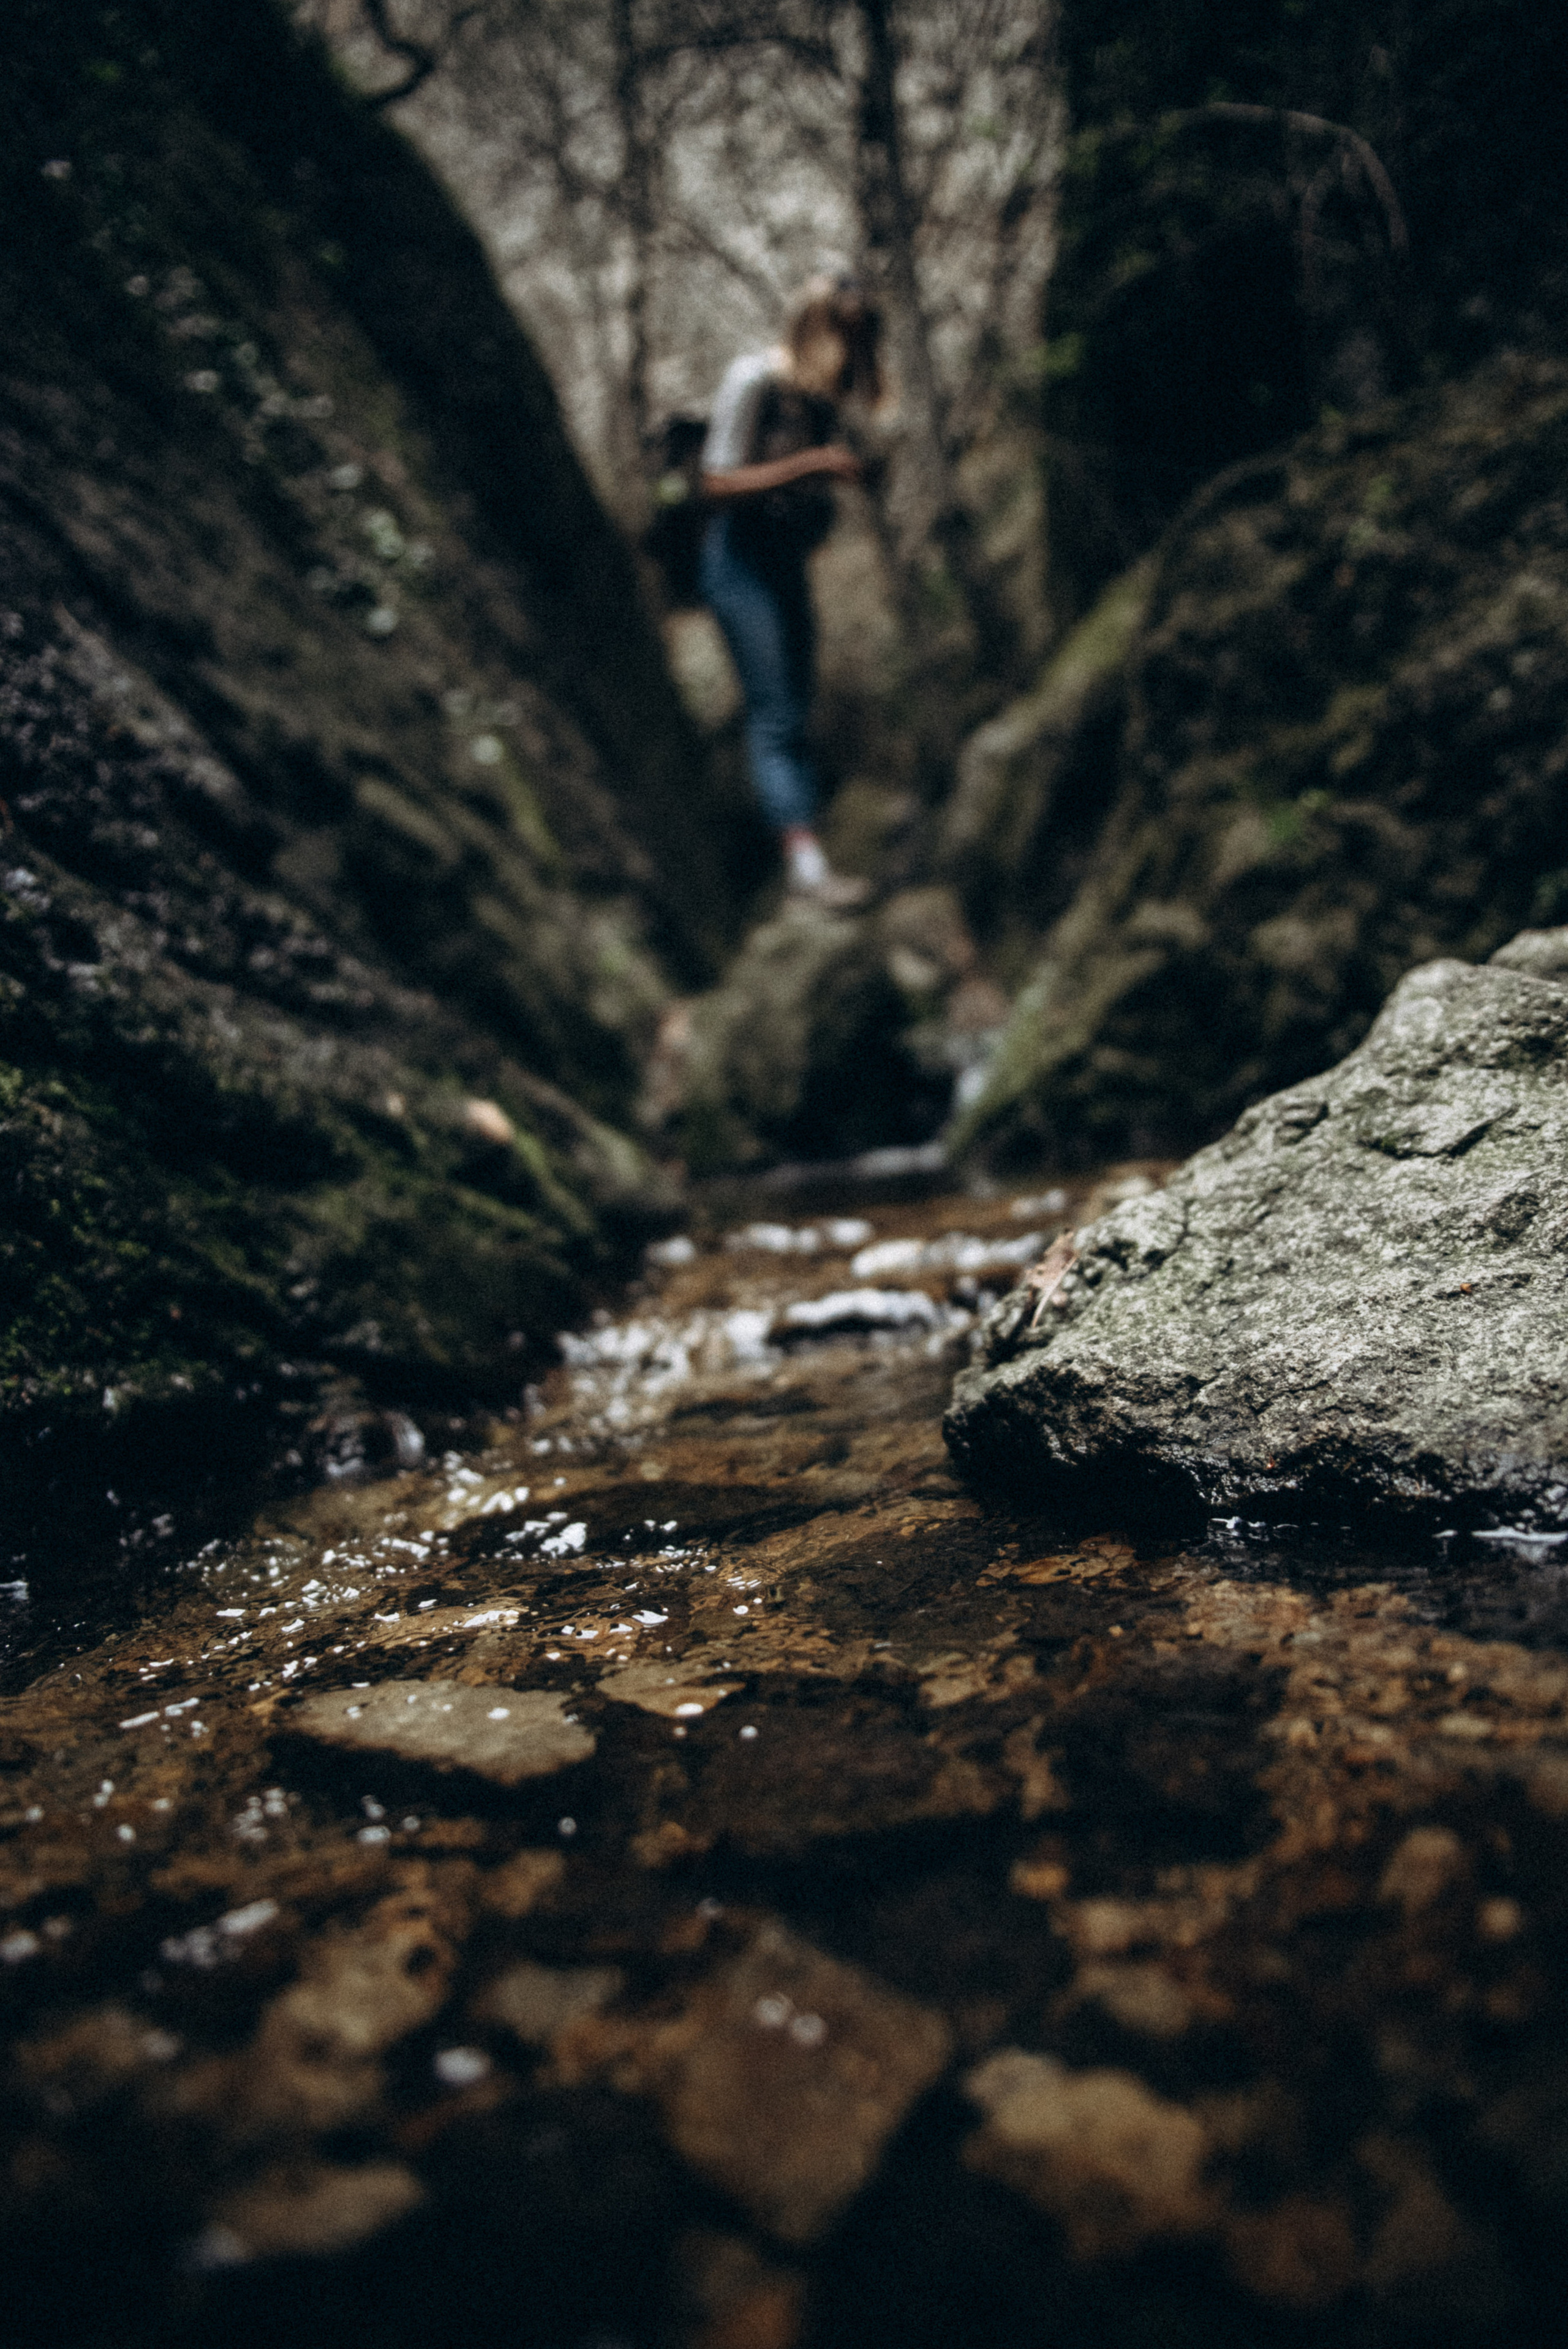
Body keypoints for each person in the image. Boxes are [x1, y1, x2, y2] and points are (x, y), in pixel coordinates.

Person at [699, 278, 884, 907]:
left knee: (797, 707)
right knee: (775, 712)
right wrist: (815, 467)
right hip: (736, 564)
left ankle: (807, 853)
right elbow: (716, 482)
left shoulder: (819, 401)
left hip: (783, 565)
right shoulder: (753, 378)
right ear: (819, 331)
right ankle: (806, 871)